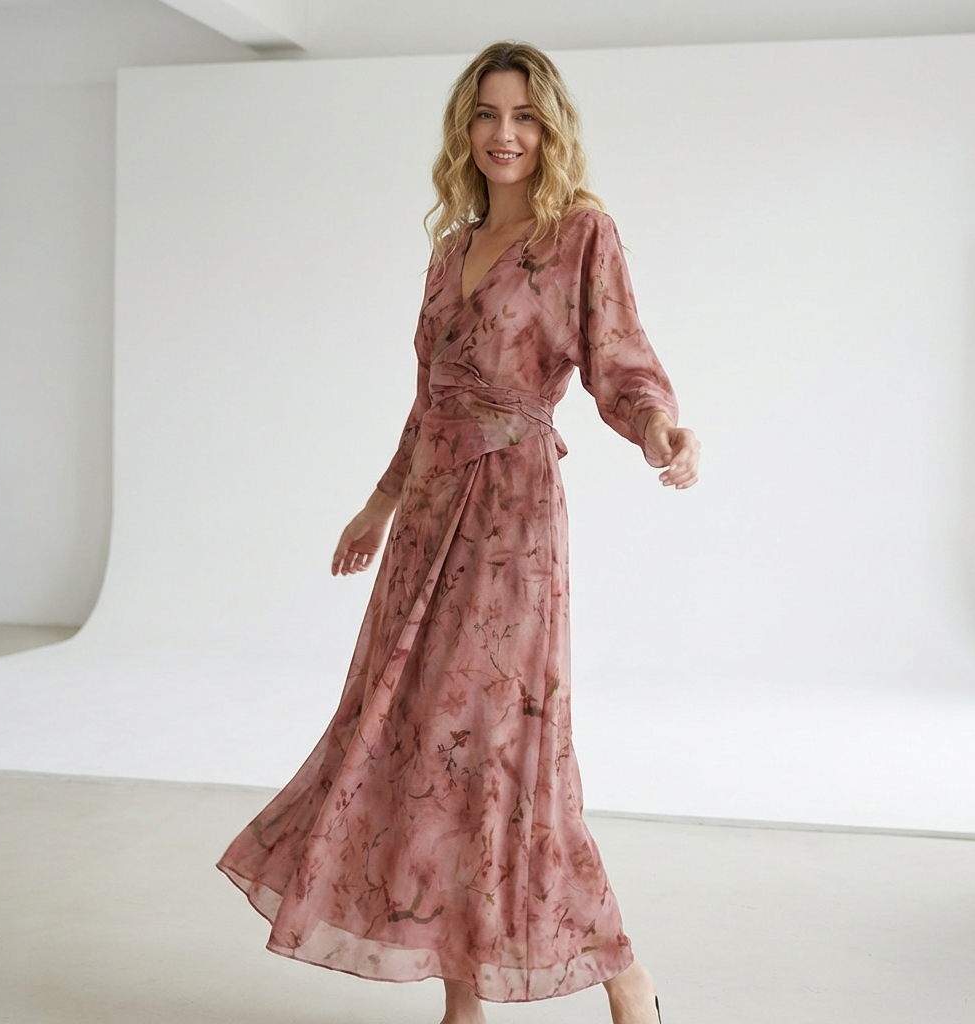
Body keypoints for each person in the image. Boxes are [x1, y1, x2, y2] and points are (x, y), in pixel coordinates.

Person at [217, 40, 701, 1024]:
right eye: (486, 114)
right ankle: (463, 1001)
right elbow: (428, 402)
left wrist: (658, 426)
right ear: (464, 129)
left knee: (507, 756)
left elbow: (620, 359)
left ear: (549, 126)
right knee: (418, 750)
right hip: (428, 523)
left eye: (523, 116)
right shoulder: (449, 253)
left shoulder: (578, 234)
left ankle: (625, 975)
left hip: (515, 523)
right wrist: (377, 504)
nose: (504, 134)